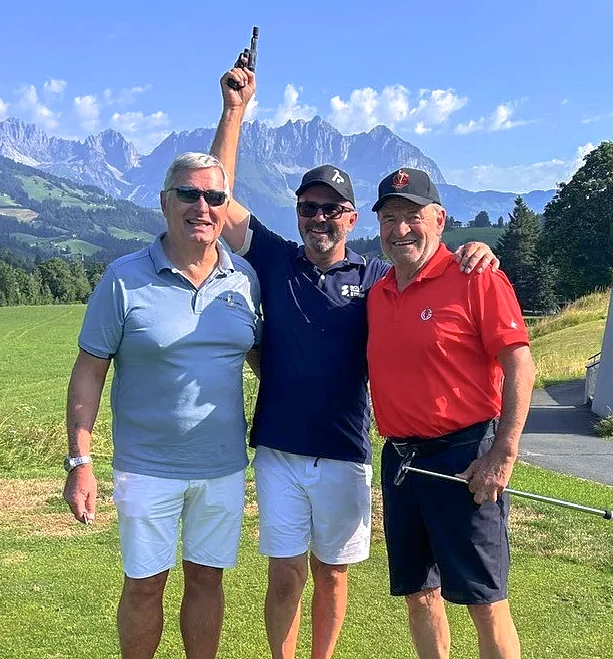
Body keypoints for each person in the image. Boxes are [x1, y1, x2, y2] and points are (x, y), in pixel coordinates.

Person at [211, 64, 499, 659]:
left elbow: (430, 275)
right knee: (285, 575)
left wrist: (475, 250)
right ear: (298, 214)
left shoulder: (377, 280)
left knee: (334, 575)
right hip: (280, 451)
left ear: (350, 219)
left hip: (347, 453)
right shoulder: (274, 258)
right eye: (309, 208)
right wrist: (235, 110)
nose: (319, 218)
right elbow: (219, 201)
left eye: (332, 209)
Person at [62, 152, 262, 659]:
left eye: (215, 197)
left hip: (222, 468)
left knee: (207, 582)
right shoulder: (123, 279)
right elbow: (89, 372)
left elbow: (264, 361)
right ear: (164, 203)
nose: (203, 206)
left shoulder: (244, 280)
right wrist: (79, 461)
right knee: (144, 586)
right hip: (147, 468)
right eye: (189, 194)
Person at [366, 167, 536, 659]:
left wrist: (503, 452)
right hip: (400, 460)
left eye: (413, 216)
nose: (401, 229)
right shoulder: (379, 294)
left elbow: (520, 364)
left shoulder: (476, 277)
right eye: (390, 217)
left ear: (439, 220)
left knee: (484, 599)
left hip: (465, 454)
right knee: (420, 593)